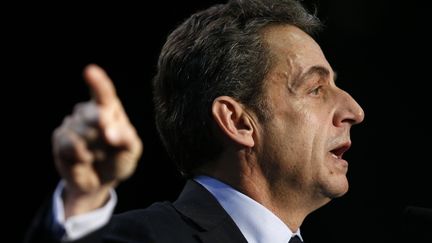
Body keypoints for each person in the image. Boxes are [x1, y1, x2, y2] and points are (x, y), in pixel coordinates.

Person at [25, 0, 364, 242]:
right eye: (316, 88)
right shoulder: (148, 236)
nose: (354, 110)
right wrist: (82, 199)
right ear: (238, 122)